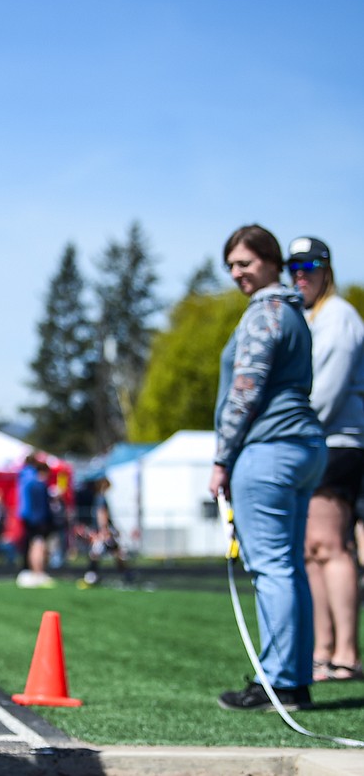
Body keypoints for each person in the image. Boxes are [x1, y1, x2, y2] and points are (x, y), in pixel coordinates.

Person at [208, 224, 327, 712]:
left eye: (246, 263)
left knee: (272, 569)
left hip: (269, 449)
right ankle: (293, 679)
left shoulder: (264, 313)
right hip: (304, 447)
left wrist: (221, 459)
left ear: (272, 262)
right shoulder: (297, 315)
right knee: (290, 569)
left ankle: (277, 682)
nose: (237, 273)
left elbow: (245, 391)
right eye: (231, 265)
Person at [288, 236, 364, 682]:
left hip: (337, 443)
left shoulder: (338, 317)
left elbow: (325, 395)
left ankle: (346, 654)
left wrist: (289, 436)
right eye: (293, 265)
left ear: (326, 268)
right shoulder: (310, 317)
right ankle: (323, 649)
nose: (301, 273)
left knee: (331, 547)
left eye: (309, 264)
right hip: (313, 441)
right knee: (312, 551)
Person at [79, 477, 132, 587]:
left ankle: (125, 574)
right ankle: (92, 576)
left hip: (103, 531)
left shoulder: (98, 498)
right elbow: (101, 514)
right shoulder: (101, 498)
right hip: (103, 532)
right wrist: (104, 531)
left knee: (112, 552)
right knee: (99, 553)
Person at [17, 462, 55, 588]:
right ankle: (39, 573)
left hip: (29, 520)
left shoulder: (26, 481)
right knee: (39, 546)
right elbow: (43, 506)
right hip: (38, 521)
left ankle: (35, 572)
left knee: (33, 545)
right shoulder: (39, 485)